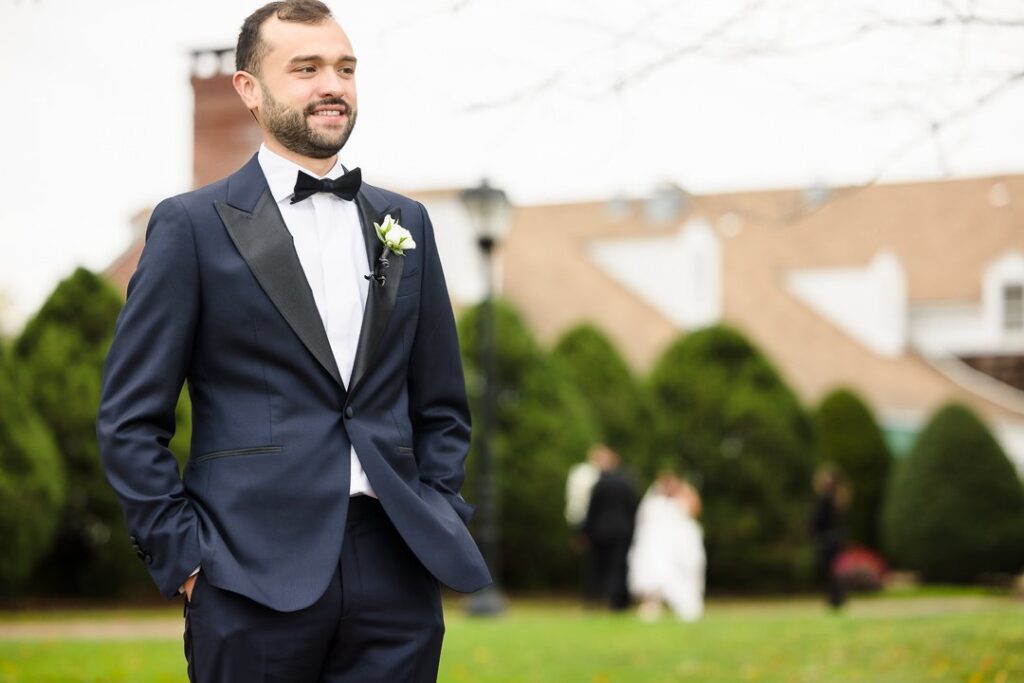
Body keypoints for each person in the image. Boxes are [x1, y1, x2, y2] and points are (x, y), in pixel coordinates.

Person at [96, 2, 490, 680]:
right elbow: (130, 420)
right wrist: (189, 561)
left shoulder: (407, 223)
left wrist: (436, 511)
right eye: (305, 69)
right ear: (249, 88)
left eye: (343, 68)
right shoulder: (190, 227)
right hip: (245, 573)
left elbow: (442, 404)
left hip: (395, 571)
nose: (330, 85)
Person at [627, 471, 706, 622]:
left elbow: (694, 512)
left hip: (680, 547)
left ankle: (685, 605)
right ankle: (652, 605)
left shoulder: (684, 498)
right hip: (658, 548)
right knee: (655, 574)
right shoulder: (653, 501)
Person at [582, 446, 638, 611]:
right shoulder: (627, 482)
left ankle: (594, 600)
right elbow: (632, 508)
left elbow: (592, 510)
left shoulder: (599, 483)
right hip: (622, 531)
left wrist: (585, 531)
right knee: (618, 567)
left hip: (601, 532)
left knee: (598, 567)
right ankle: (618, 602)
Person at [565, 444, 607, 607]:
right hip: (588, 523)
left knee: (595, 563)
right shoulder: (585, 474)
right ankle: (592, 597)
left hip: (593, 524)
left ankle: (595, 596)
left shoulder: (590, 474)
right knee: (592, 563)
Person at [810, 463, 850, 610]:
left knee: (831, 570)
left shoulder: (828, 500)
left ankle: (836, 598)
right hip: (832, 539)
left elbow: (819, 520)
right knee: (833, 570)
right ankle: (836, 598)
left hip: (829, 540)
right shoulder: (835, 499)